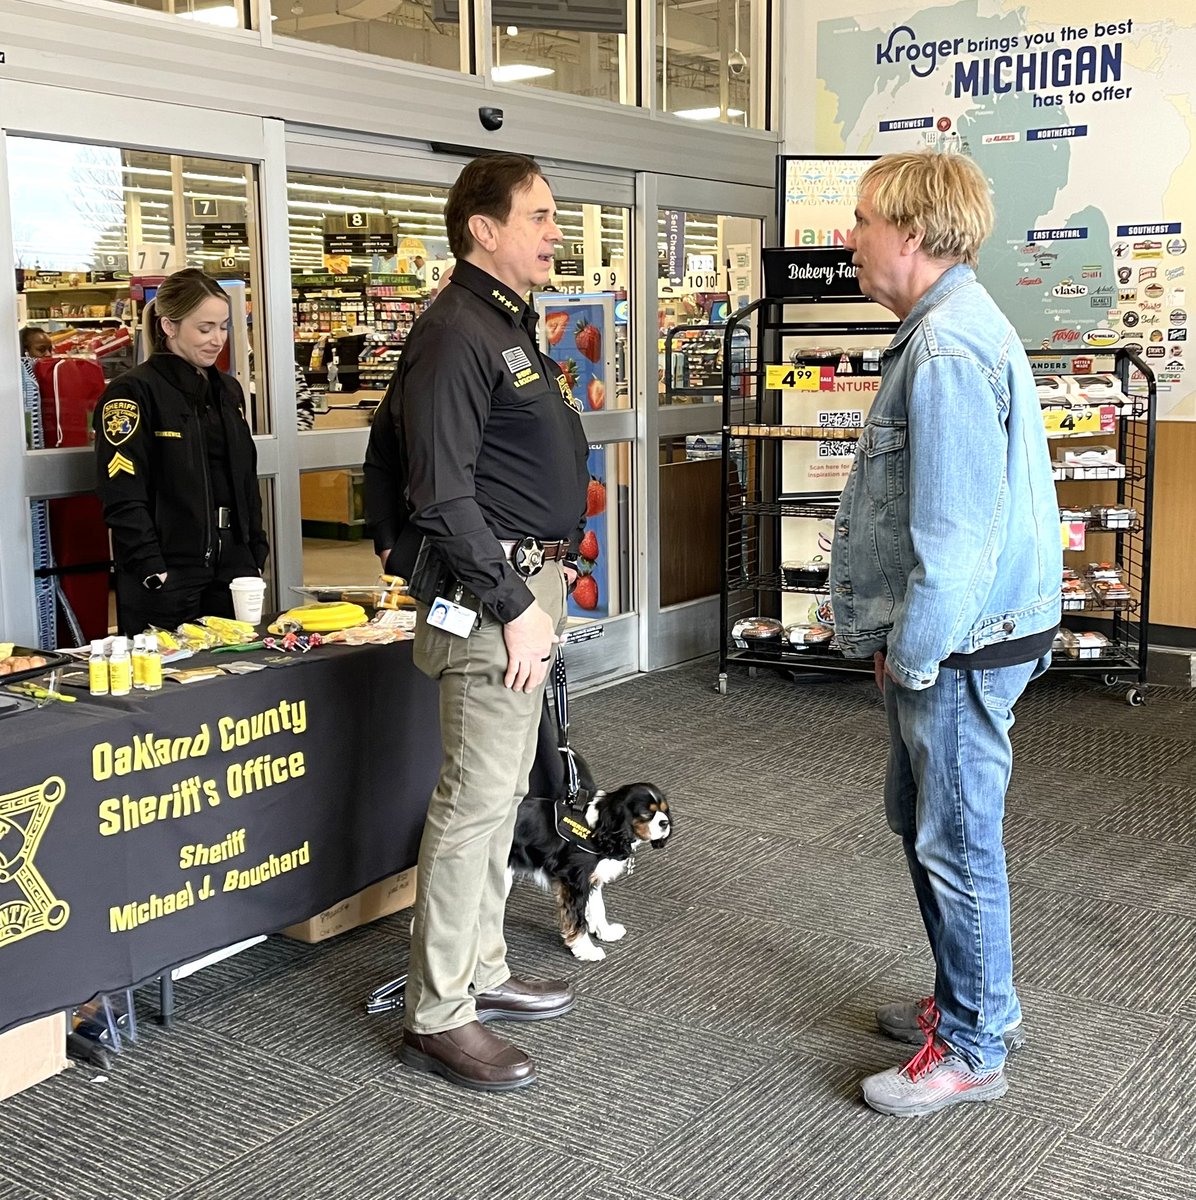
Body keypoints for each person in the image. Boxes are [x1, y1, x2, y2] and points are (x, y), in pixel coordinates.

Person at [829, 150, 1062, 1118]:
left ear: (913, 237)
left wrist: (915, 652)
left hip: (961, 646)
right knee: (930, 827)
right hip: (960, 638)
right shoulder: (946, 329)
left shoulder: (946, 349)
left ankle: (970, 1045)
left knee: (955, 843)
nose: (847, 237)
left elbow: (956, 545)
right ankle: (975, 999)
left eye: (861, 220)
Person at [395, 154, 589, 1093]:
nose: (557, 231)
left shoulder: (506, 323)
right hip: (486, 603)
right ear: (483, 226)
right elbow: (439, 493)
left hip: (522, 591)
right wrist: (514, 608)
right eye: (541, 215)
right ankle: (437, 1014)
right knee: (472, 807)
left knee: (505, 792)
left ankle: (483, 972)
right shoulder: (452, 333)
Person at [93, 268, 268, 636]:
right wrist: (151, 567)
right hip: (168, 574)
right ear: (169, 327)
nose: (216, 339)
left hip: (232, 570)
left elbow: (244, 478)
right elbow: (122, 491)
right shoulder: (133, 393)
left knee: (238, 679)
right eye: (204, 329)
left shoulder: (227, 392)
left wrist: (255, 550)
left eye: (223, 327)